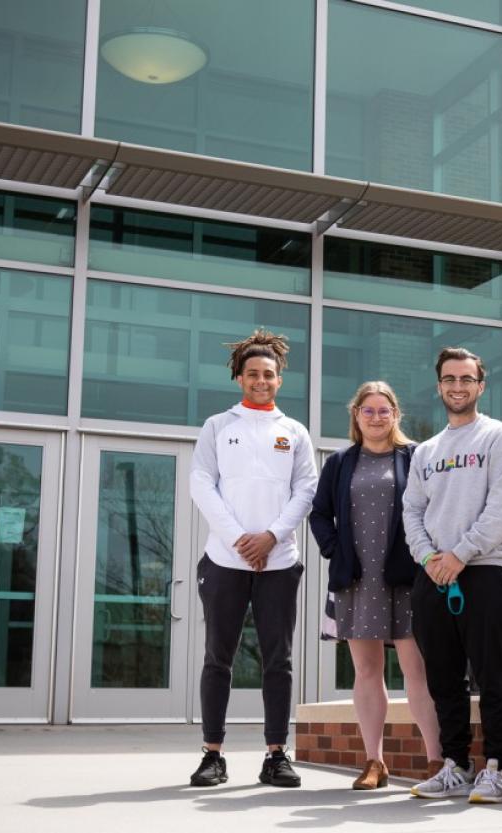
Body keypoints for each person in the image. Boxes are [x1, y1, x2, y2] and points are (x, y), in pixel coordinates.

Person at [187, 328, 318, 788]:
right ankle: (212, 755)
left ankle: (276, 754)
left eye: (269, 374)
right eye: (253, 374)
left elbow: (307, 488)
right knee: (217, 658)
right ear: (239, 378)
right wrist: (240, 538)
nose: (261, 380)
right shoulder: (218, 427)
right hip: (224, 561)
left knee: (277, 660)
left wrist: (272, 536)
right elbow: (201, 483)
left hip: (279, 563)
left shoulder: (294, 431)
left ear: (279, 379)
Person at [403, 347, 502, 804]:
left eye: (466, 379)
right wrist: (429, 558)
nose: (457, 386)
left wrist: (461, 553)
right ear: (439, 387)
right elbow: (412, 510)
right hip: (433, 578)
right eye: (449, 379)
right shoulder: (426, 451)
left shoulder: (499, 438)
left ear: (480, 385)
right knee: (443, 679)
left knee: (491, 674)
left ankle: (498, 768)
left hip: (485, 573)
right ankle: (455, 764)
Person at [309, 381, 442, 790]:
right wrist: (335, 550)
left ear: (395, 414)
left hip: (407, 577)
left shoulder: (417, 456)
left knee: (415, 668)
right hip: (356, 579)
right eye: (368, 410)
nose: (377, 417)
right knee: (367, 670)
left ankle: (437, 760)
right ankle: (374, 762)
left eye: (384, 410)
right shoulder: (340, 462)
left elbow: (436, 508)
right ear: (356, 415)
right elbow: (319, 514)